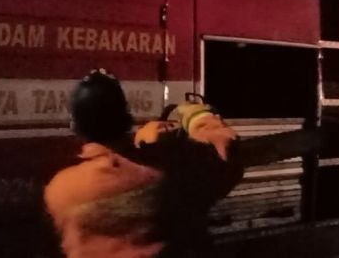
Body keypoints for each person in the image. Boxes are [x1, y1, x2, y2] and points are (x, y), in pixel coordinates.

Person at [43, 69, 243, 258]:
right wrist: (199, 117)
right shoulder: (172, 174)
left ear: (75, 127)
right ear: (128, 118)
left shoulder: (60, 191)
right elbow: (227, 156)